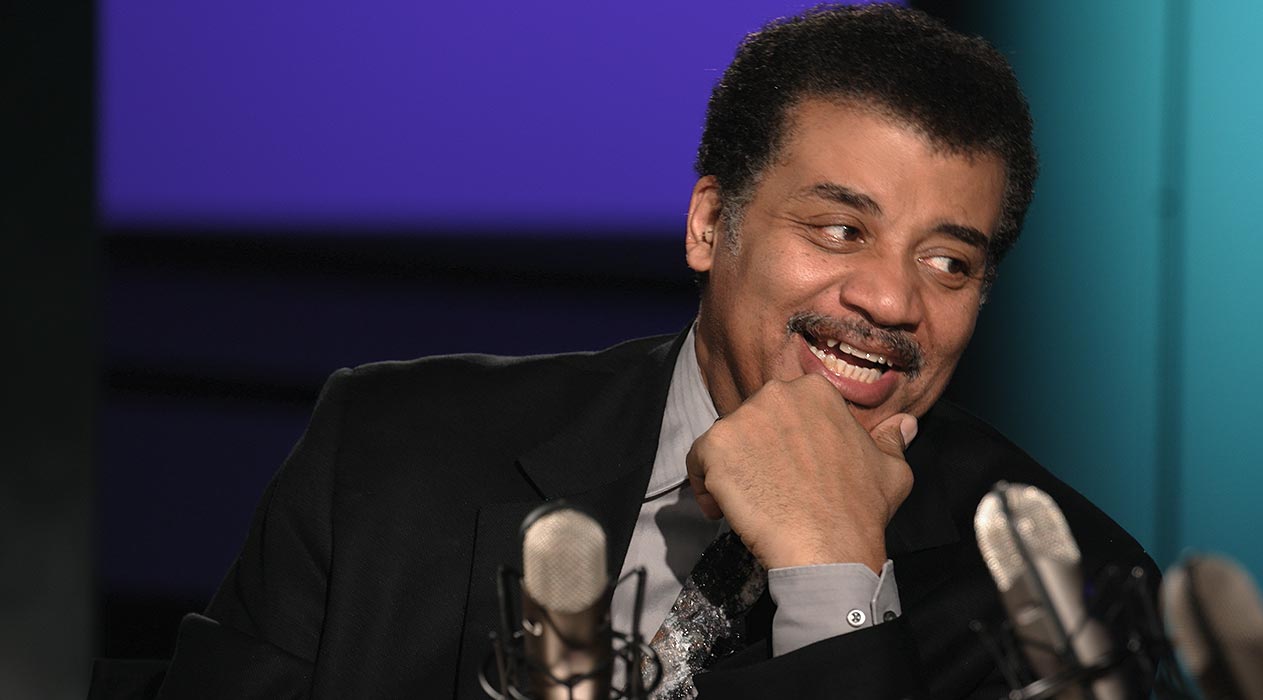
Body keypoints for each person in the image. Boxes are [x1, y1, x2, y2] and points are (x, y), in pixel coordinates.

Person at [106, 5, 1155, 698]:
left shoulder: (1066, 586)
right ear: (708, 225)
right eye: (840, 229)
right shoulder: (386, 451)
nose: (889, 298)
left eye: (948, 261)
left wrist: (833, 574)